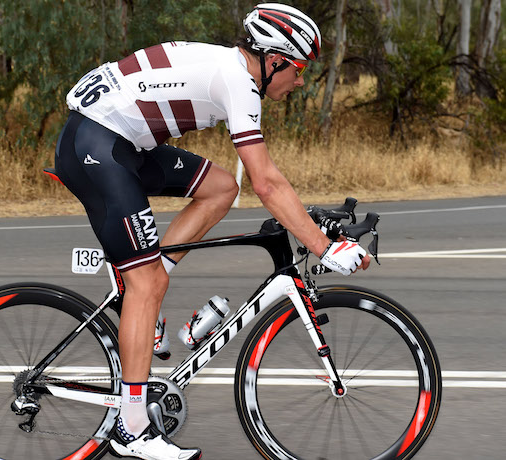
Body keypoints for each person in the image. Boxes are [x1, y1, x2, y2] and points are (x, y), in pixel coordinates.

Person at [54, 3, 370, 459]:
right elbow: (265, 181)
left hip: (121, 140)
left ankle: (139, 290)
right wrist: (322, 246)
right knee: (150, 283)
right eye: (298, 70)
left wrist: (309, 225)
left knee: (221, 188)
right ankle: (132, 428)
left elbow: (251, 183)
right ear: (274, 60)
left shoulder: (231, 68)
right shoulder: (238, 82)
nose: (300, 81)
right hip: (97, 145)